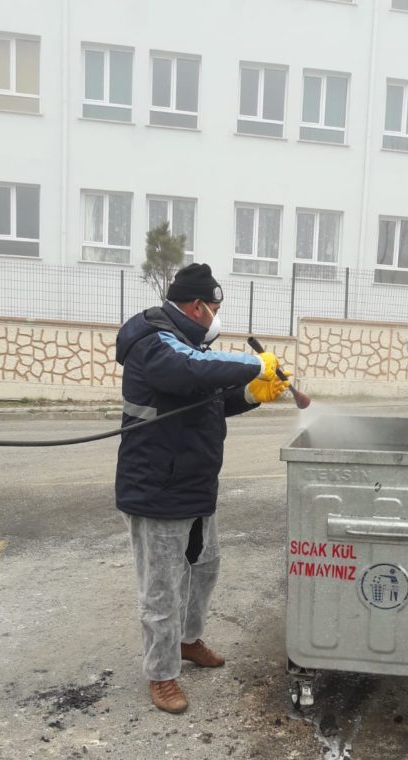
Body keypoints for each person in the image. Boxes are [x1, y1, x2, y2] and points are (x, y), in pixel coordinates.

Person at [115, 262, 288, 713]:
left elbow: (208, 399)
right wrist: (256, 363)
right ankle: (161, 674)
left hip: (194, 484)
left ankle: (188, 641)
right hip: (157, 487)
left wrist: (251, 394)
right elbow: (190, 370)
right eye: (214, 307)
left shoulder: (187, 344)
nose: (216, 315)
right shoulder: (153, 340)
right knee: (162, 587)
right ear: (197, 306)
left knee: (205, 567)